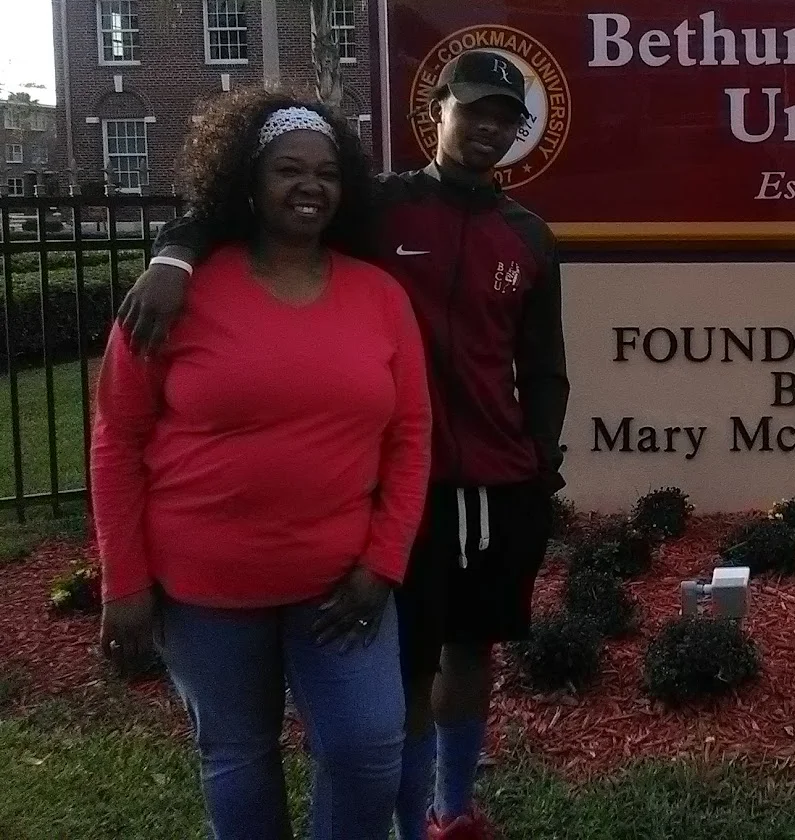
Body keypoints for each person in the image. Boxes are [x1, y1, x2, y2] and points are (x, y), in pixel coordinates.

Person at [118, 50, 569, 840]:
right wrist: (173, 252)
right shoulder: (380, 207)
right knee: (408, 669)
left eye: (505, 118)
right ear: (439, 110)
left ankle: (453, 811)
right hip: (399, 487)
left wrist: (540, 462)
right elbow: (244, 207)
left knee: (473, 651)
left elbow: (543, 365)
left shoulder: (527, 235)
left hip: (495, 481)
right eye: (474, 110)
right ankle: (409, 822)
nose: (488, 129)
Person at [93, 92, 432, 840]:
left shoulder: (379, 296)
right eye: (288, 170)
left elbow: (411, 439)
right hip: (204, 588)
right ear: (248, 180)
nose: (310, 186)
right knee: (238, 754)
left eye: (327, 173)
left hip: (340, 585)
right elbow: (117, 438)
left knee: (368, 749)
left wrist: (383, 563)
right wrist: (125, 580)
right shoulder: (173, 296)